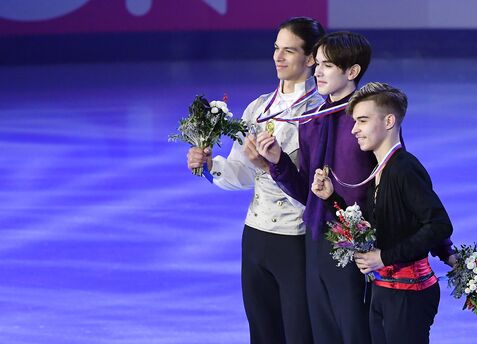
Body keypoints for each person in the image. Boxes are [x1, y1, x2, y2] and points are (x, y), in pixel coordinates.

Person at [186, 17, 325, 344]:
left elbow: (317, 194)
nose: (278, 57)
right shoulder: (258, 109)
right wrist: (209, 166)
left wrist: (272, 166)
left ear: (310, 59)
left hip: (297, 240)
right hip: (256, 237)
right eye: (277, 48)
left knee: (299, 335)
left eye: (289, 51)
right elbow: (242, 173)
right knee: (262, 334)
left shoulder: (321, 113)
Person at [256, 31, 376, 344]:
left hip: (355, 244)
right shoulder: (312, 119)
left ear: (352, 72)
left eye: (327, 66)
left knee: (355, 330)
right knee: (323, 332)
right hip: (316, 240)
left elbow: (387, 185)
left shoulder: (368, 119)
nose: (317, 71)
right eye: (317, 63)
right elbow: (307, 194)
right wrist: (278, 161)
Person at [311, 82, 453, 344]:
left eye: (362, 120)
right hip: (383, 291)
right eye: (355, 121)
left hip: (408, 294)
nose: (354, 129)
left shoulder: (404, 169)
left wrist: (384, 257)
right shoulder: (380, 170)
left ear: (389, 121)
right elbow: (371, 228)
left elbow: (439, 225)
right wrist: (332, 198)